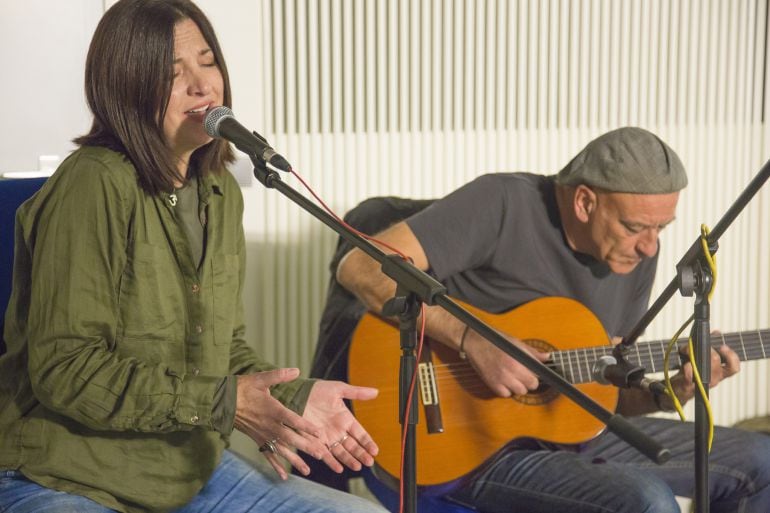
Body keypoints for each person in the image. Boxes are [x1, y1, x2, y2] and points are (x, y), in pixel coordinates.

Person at [0, 1, 388, 512]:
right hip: (67, 475)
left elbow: (221, 348)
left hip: (187, 470)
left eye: (208, 62)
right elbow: (67, 369)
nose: (203, 85)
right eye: (171, 73)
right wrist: (228, 404)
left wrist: (292, 399)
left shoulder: (220, 191)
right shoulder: (93, 184)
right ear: (126, 87)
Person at [335, 127, 770, 512]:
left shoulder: (634, 255)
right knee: (646, 500)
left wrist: (671, 391)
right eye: (636, 227)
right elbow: (359, 267)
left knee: (760, 462)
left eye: (661, 229)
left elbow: (604, 395)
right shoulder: (503, 203)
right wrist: (473, 339)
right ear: (584, 201)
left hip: (567, 435)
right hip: (467, 443)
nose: (650, 248)